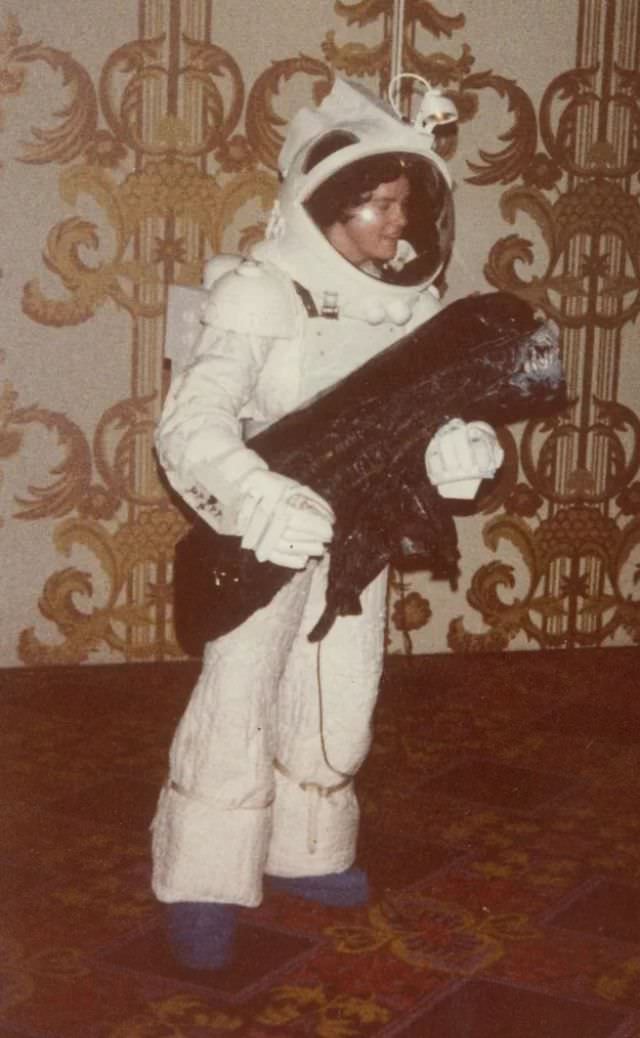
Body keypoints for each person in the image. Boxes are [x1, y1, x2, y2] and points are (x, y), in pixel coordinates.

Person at [151, 78, 503, 970]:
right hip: (263, 535)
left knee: (339, 702)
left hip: (361, 532)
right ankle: (204, 877)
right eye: (379, 206)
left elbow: (413, 422)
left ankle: (306, 846)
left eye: (403, 205)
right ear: (324, 209)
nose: (398, 225)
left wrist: (456, 450)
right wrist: (256, 495)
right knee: (240, 700)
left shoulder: (407, 308)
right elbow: (190, 426)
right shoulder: (258, 296)